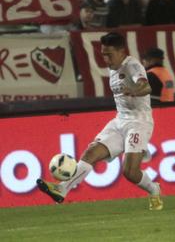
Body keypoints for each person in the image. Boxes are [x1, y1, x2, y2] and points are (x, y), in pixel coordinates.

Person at [36, 32, 163, 211]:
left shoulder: (133, 66)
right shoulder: (112, 68)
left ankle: (154, 188)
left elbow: (146, 86)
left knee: (130, 172)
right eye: (103, 54)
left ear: (121, 51)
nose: (105, 58)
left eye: (109, 54)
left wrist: (134, 90)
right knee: (90, 153)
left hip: (138, 123)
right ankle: (61, 188)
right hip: (120, 121)